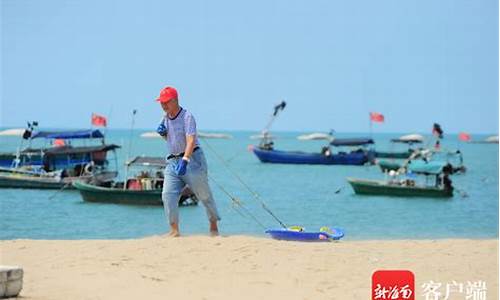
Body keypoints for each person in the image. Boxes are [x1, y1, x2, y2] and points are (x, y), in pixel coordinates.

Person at [155, 86, 221, 237]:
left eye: (166, 102)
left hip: (192, 159)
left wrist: (185, 160)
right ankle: (174, 230)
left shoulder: (187, 117)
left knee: (204, 194)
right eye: (161, 103)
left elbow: (190, 141)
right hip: (173, 161)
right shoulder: (164, 118)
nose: (163, 105)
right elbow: (171, 139)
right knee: (167, 194)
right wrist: (163, 134)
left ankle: (213, 225)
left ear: (175, 101)